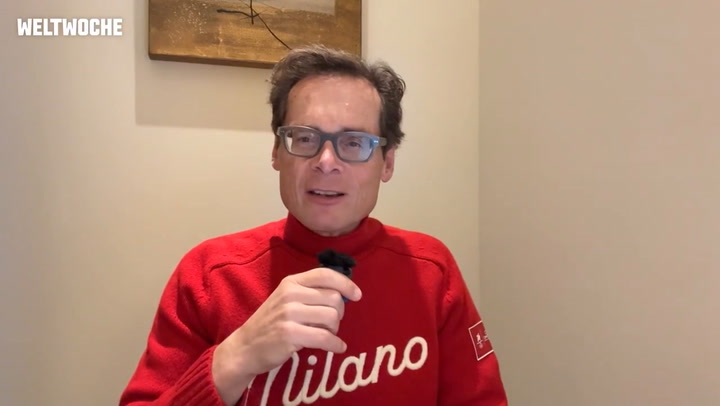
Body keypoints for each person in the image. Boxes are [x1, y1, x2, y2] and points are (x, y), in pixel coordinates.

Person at [120, 45, 507, 406]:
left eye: (353, 143)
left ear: (387, 162)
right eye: (304, 138)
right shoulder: (208, 276)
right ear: (277, 152)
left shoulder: (432, 272)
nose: (326, 161)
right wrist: (235, 358)